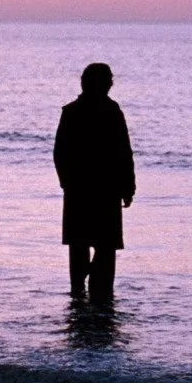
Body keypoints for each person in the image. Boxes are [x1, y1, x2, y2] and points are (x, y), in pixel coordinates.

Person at [53, 63, 135, 301]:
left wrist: (67, 182)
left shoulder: (73, 111)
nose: (111, 83)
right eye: (108, 79)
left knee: (82, 247)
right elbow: (124, 152)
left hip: (82, 190)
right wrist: (128, 187)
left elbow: (60, 153)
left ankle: (82, 295)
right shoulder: (110, 111)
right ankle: (99, 298)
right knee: (104, 248)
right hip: (102, 190)